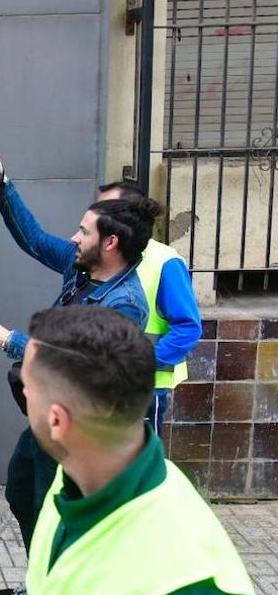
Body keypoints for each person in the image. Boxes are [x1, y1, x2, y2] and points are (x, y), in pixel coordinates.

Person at [10, 305, 254, 595]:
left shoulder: (183, 594)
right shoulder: (71, 480)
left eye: (24, 385)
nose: (19, 388)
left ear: (57, 421)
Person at [0, 153, 154, 595]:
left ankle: (67, 594)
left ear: (110, 243)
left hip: (81, 430)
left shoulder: (125, 303)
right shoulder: (83, 269)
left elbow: (76, 359)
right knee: (20, 491)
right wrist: (3, 185)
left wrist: (6, 338)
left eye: (83, 232)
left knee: (58, 513)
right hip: (48, 415)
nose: (73, 237)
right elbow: (35, 239)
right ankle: (45, 577)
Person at [97, 180, 201, 431]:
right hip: (100, 382)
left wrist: (140, 364)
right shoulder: (99, 253)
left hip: (142, 387)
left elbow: (188, 328)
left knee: (138, 465)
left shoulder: (164, 261)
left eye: (104, 210)